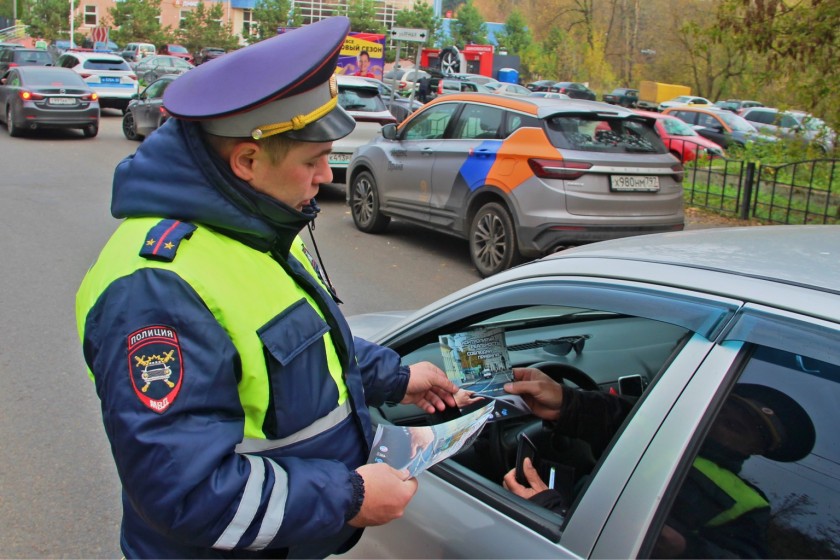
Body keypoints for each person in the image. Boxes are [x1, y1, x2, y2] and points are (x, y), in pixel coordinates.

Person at [75, 17, 458, 559]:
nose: (326, 175)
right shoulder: (157, 285)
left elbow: (298, 351)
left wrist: (398, 378)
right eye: (313, 160)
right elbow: (184, 492)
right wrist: (348, 497)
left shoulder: (257, 225)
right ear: (248, 161)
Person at [502, 368, 815, 559]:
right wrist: (567, 401)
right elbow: (625, 418)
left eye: (751, 427)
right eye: (733, 410)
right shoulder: (671, 432)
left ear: (761, 447)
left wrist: (684, 550)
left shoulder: (752, 504)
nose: (735, 421)